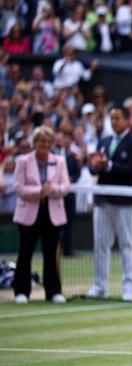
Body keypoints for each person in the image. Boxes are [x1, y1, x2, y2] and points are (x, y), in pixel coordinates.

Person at [85, 106, 132, 302]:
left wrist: (108, 165)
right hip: (103, 201)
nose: (114, 122)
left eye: (118, 118)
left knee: (127, 244)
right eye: (112, 118)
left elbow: (130, 170)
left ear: (127, 120)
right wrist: (95, 166)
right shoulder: (104, 141)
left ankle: (129, 288)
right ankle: (100, 286)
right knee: (100, 245)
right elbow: (94, 171)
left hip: (125, 202)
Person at [13, 126, 70, 304]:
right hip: (29, 214)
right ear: (34, 142)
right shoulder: (23, 161)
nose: (44, 144)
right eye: (40, 141)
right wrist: (39, 191)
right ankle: (21, 291)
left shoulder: (59, 161)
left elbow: (65, 187)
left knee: (51, 254)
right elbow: (19, 188)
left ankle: (53, 291)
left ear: (51, 143)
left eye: (47, 141)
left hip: (52, 215)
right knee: (25, 253)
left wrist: (52, 190)